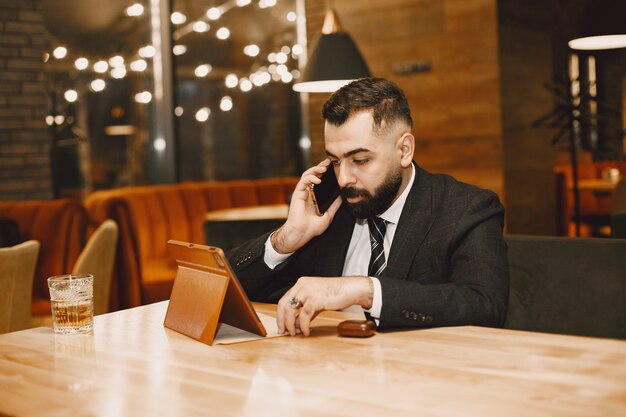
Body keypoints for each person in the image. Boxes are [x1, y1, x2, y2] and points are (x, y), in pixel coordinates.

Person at [229, 77, 509, 336]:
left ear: (404, 150)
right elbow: (226, 291)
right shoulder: (327, 207)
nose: (344, 178)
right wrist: (284, 241)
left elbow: (485, 306)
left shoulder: (466, 208)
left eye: (360, 160)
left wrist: (366, 291)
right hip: (327, 372)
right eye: (336, 161)